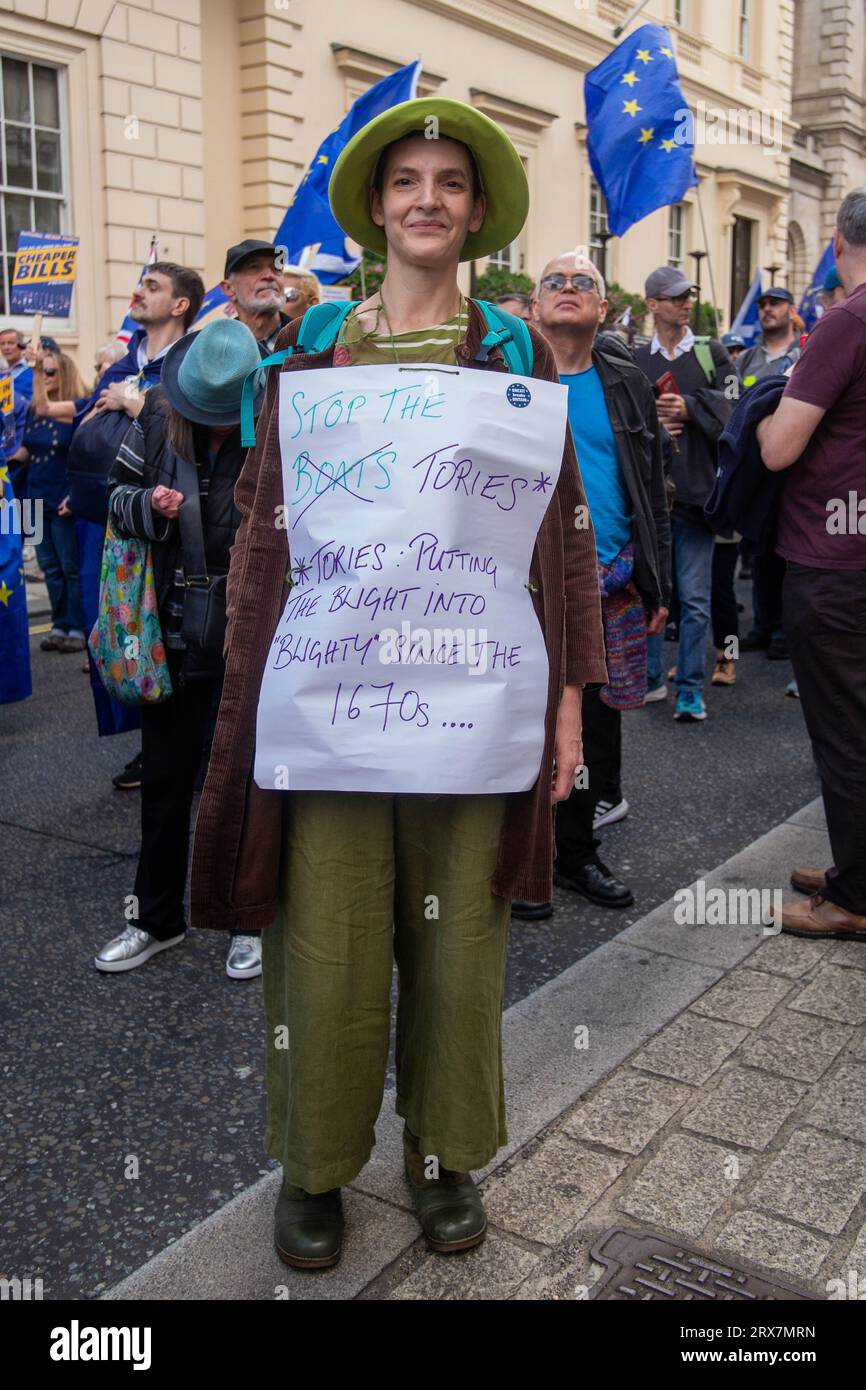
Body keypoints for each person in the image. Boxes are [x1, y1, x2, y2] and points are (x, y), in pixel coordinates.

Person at [189, 96, 607, 1270]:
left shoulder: (512, 354)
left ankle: (443, 1155)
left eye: (450, 182)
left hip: (471, 706)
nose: (428, 197)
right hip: (330, 708)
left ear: (474, 214)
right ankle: (314, 1165)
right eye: (407, 180)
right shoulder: (311, 349)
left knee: (458, 942)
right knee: (320, 939)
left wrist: (568, 700)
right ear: (376, 208)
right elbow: (261, 532)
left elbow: (560, 534)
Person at [94, 319, 266, 980]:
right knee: (164, 787)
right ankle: (155, 919)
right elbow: (114, 497)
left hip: (254, 632)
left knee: (246, 785)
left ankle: (247, 918)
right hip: (172, 629)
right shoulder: (161, 412)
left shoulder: (279, 419)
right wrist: (149, 507)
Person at [523, 252, 670, 916]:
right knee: (525, 722)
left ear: (604, 310)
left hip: (608, 583)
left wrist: (657, 582)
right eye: (555, 281)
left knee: (594, 730)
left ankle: (577, 855)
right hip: (523, 582)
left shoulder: (628, 382)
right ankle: (524, 861)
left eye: (585, 283)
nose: (569, 289)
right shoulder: (506, 375)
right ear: (533, 305)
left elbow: (651, 491)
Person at [758, 189, 866, 940]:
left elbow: (779, 448)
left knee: (845, 735)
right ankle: (851, 870)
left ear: (836, 242)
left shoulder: (846, 322)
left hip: (834, 565)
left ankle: (852, 898)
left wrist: (764, 408)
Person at [66, 262, 205, 781]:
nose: (137, 292)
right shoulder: (121, 364)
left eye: (152, 287)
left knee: (164, 630)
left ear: (179, 304)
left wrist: (135, 406)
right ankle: (146, 733)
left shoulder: (188, 366)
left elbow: (193, 428)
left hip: (165, 520)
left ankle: (172, 747)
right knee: (114, 624)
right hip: (105, 519)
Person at [634, 267, 734, 721]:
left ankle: (691, 688)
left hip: (696, 497)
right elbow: (624, 423)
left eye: (687, 296)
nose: (684, 303)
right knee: (652, 596)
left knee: (694, 599)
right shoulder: (636, 359)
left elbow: (739, 413)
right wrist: (654, 424)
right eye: (674, 298)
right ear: (653, 304)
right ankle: (652, 679)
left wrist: (691, 408)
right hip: (652, 500)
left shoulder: (711, 352)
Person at [9, 349, 89, 652]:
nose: (44, 377)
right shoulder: (33, 411)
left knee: (69, 566)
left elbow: (85, 457)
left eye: (50, 372)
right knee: (48, 567)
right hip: (33, 499)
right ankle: (59, 624)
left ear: (64, 373)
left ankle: (76, 627)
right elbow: (26, 452)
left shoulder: (74, 409)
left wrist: (76, 495)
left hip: (61, 499)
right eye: (41, 372)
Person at [221, 241, 293, 356]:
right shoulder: (217, 347)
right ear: (229, 288)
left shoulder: (309, 339)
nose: (269, 276)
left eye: (276, 268)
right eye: (254, 267)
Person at [0, 328, 33, 398]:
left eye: (11, 343)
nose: (6, 347)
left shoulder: (31, 369)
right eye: (2, 344)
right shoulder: (2, 371)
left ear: (21, 346)